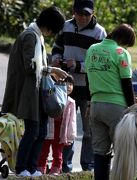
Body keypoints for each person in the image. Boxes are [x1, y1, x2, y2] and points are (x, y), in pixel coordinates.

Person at [1, 6, 67, 177]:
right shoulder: (30, 36)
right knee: (32, 132)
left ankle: (32, 168)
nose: (53, 34)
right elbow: (30, 66)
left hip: (37, 93)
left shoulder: (37, 36)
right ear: (49, 26)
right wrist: (52, 70)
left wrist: (50, 71)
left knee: (41, 133)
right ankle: (22, 167)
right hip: (27, 93)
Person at [51, 0, 106, 172]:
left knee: (89, 130)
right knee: (67, 128)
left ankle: (87, 166)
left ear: (93, 13)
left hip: (89, 88)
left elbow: (101, 62)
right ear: (73, 12)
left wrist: (78, 65)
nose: (83, 17)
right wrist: (56, 60)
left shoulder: (99, 33)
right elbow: (57, 47)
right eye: (79, 13)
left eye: (87, 14)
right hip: (66, 85)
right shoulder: (65, 26)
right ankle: (65, 166)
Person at [85, 23, 136, 180]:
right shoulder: (121, 52)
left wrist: (89, 103)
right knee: (123, 152)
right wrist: (133, 107)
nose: (126, 47)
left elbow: (88, 79)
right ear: (122, 40)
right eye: (126, 44)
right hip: (116, 107)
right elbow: (127, 83)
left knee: (100, 152)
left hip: (95, 105)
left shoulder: (92, 49)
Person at [38, 75, 76, 175]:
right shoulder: (52, 97)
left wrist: (70, 135)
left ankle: (56, 168)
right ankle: (41, 167)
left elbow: (72, 121)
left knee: (58, 152)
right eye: (65, 84)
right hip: (48, 129)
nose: (68, 86)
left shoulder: (71, 102)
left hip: (60, 132)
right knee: (43, 151)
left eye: (71, 84)